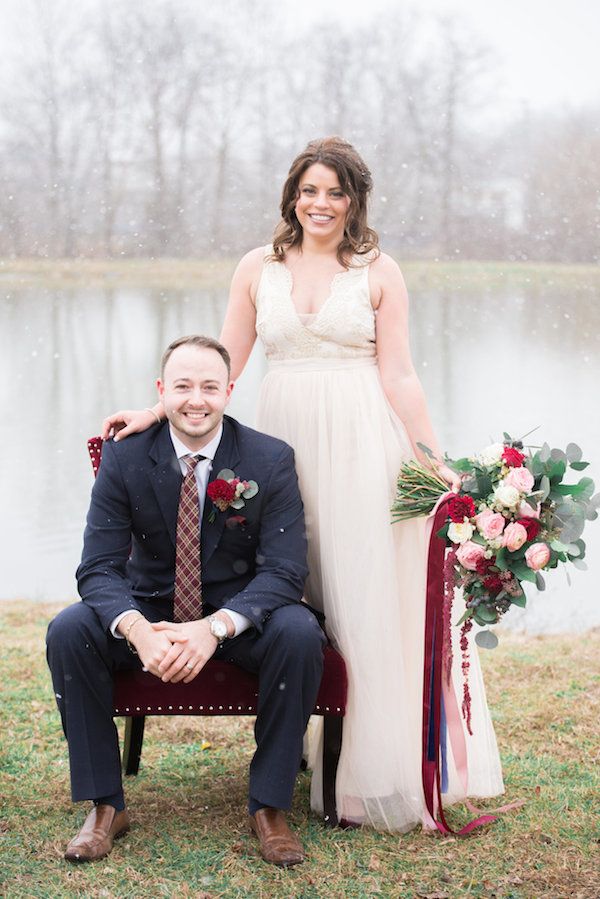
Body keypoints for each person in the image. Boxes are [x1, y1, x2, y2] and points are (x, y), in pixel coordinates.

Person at [102, 137, 504, 832]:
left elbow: (400, 374)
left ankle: (363, 770)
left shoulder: (379, 271)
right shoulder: (258, 267)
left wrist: (431, 453)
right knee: (293, 584)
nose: (320, 204)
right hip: (282, 440)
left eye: (335, 192)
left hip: (359, 441)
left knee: (360, 594)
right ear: (292, 196)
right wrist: (155, 408)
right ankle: (296, 739)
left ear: (354, 201)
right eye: (309, 190)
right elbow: (224, 362)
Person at [47, 334, 326, 866]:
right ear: (161, 391)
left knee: (297, 631)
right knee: (68, 630)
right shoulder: (124, 458)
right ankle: (106, 804)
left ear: (229, 391)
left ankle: (269, 805)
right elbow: (98, 567)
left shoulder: (269, 459)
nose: (195, 400)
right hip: (150, 610)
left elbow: (286, 571)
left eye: (208, 387)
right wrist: (136, 629)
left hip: (235, 618)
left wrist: (215, 627)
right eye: (182, 386)